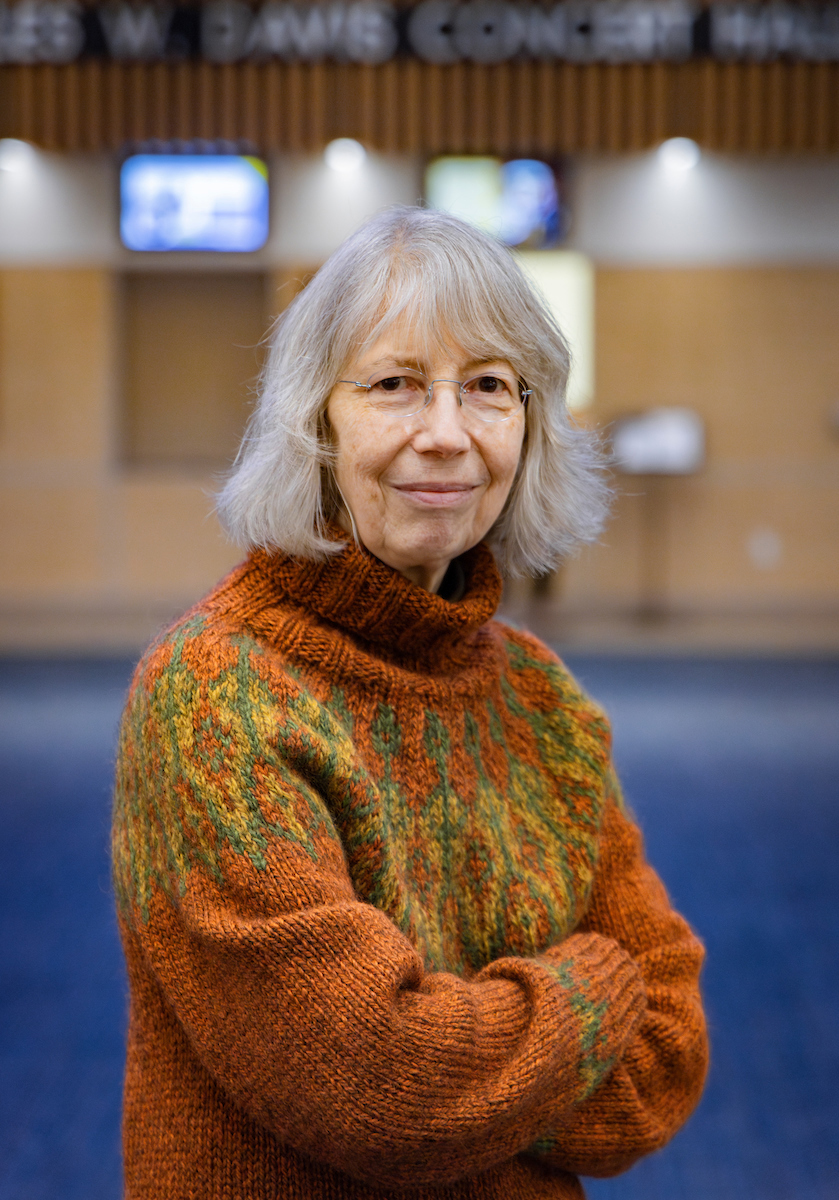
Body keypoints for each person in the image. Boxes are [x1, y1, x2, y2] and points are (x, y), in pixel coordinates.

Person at [112, 206, 708, 1200]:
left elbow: (670, 1052)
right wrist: (594, 986)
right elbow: (380, 1088)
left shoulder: (542, 700)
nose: (446, 434)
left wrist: (476, 1062)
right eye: (394, 384)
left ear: (529, 425)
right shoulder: (213, 694)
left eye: (488, 387)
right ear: (315, 421)